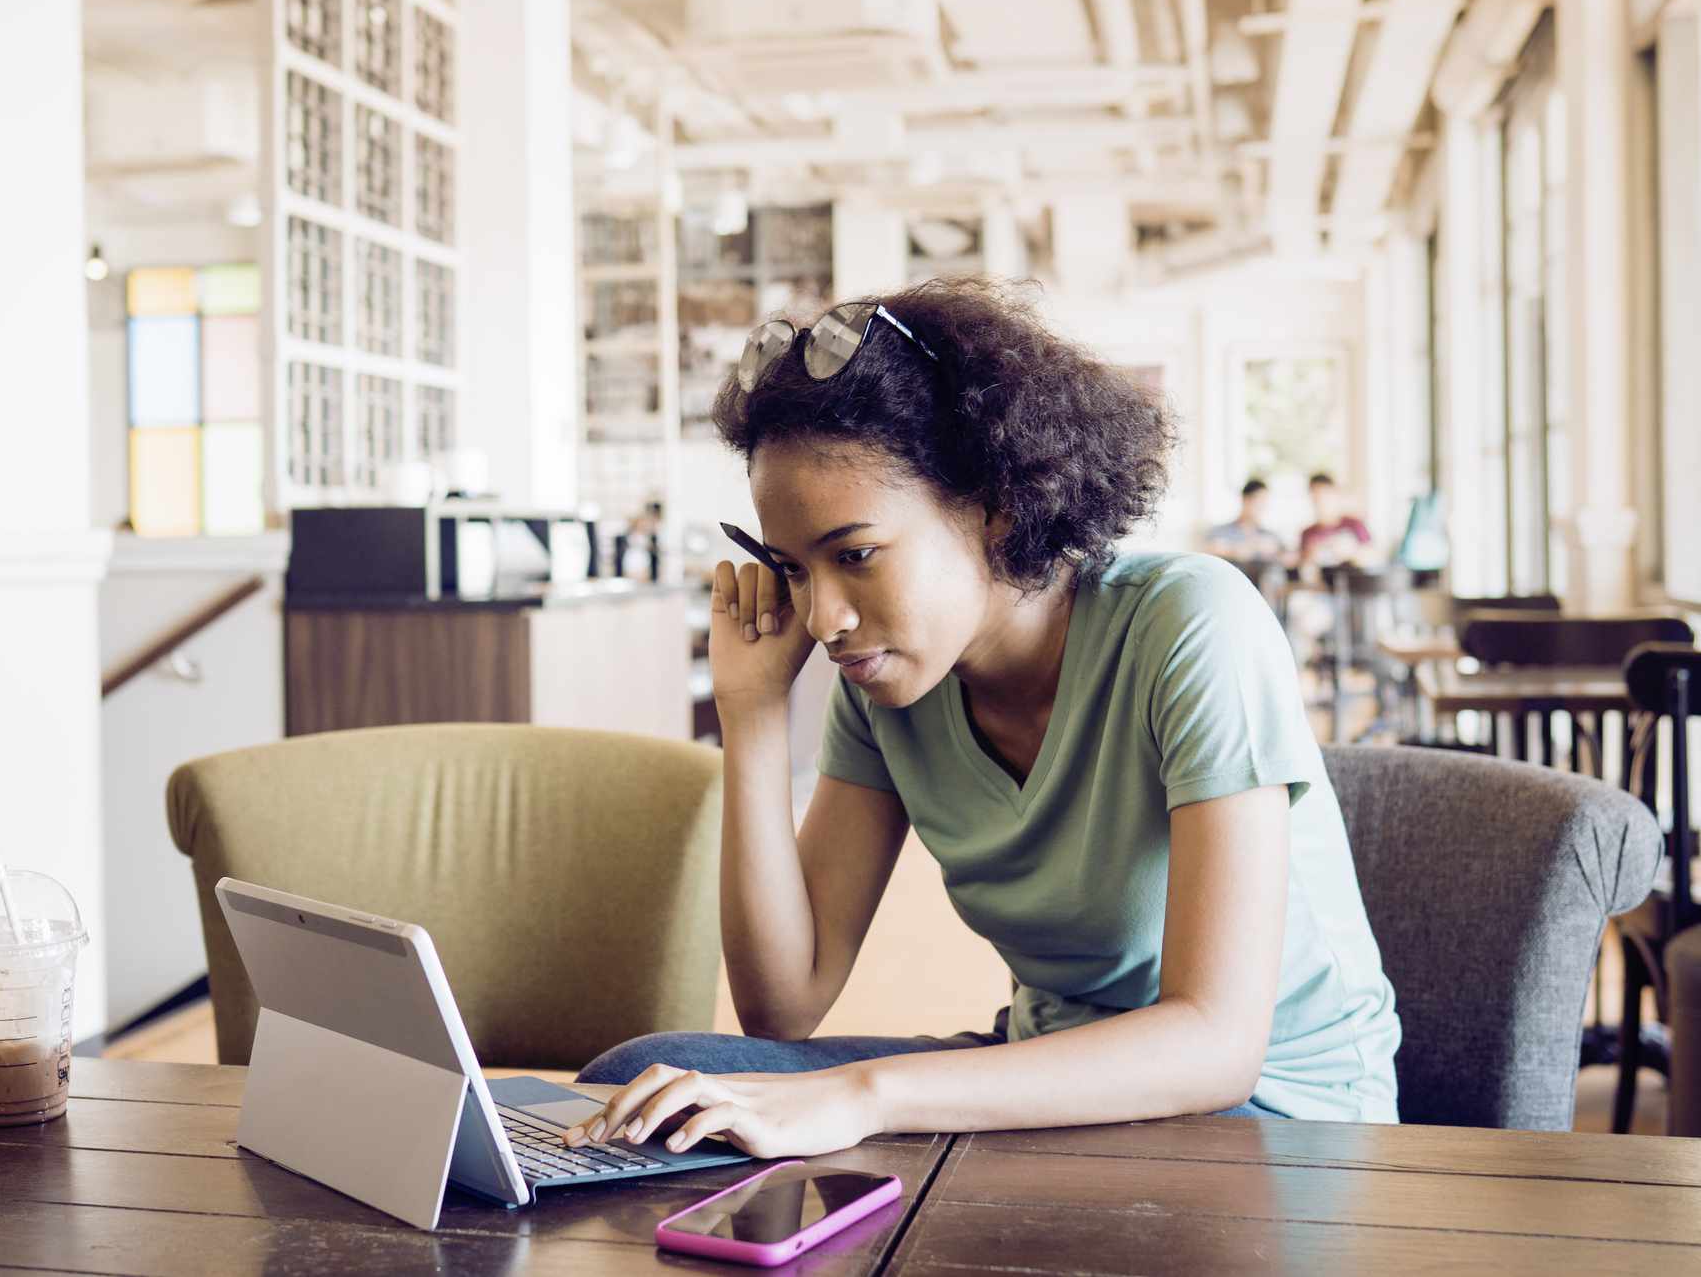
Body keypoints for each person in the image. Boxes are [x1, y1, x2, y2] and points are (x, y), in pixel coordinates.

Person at [561, 278, 1399, 1163]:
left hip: (1278, 1119)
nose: (824, 618)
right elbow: (785, 1004)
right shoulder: (885, 687)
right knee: (652, 1081)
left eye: (854, 556)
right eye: (794, 570)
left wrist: (863, 1096)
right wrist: (754, 714)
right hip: (1047, 1078)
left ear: (996, 508)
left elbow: (1215, 1046)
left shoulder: (1189, 624)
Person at [1298, 473, 1373, 573]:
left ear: (1335, 494)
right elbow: (1303, 568)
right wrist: (1309, 557)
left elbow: (1374, 557)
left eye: (1325, 496)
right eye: (1316, 497)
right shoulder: (1307, 533)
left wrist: (1352, 552)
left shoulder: (1354, 525)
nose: (1321, 502)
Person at [1203, 479, 1288, 566]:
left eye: (1265, 502)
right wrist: (1239, 549)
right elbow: (1210, 551)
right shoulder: (1221, 532)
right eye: (1259, 501)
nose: (1262, 507)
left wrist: (1276, 553)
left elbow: (1289, 558)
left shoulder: (1270, 535)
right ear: (1245, 500)